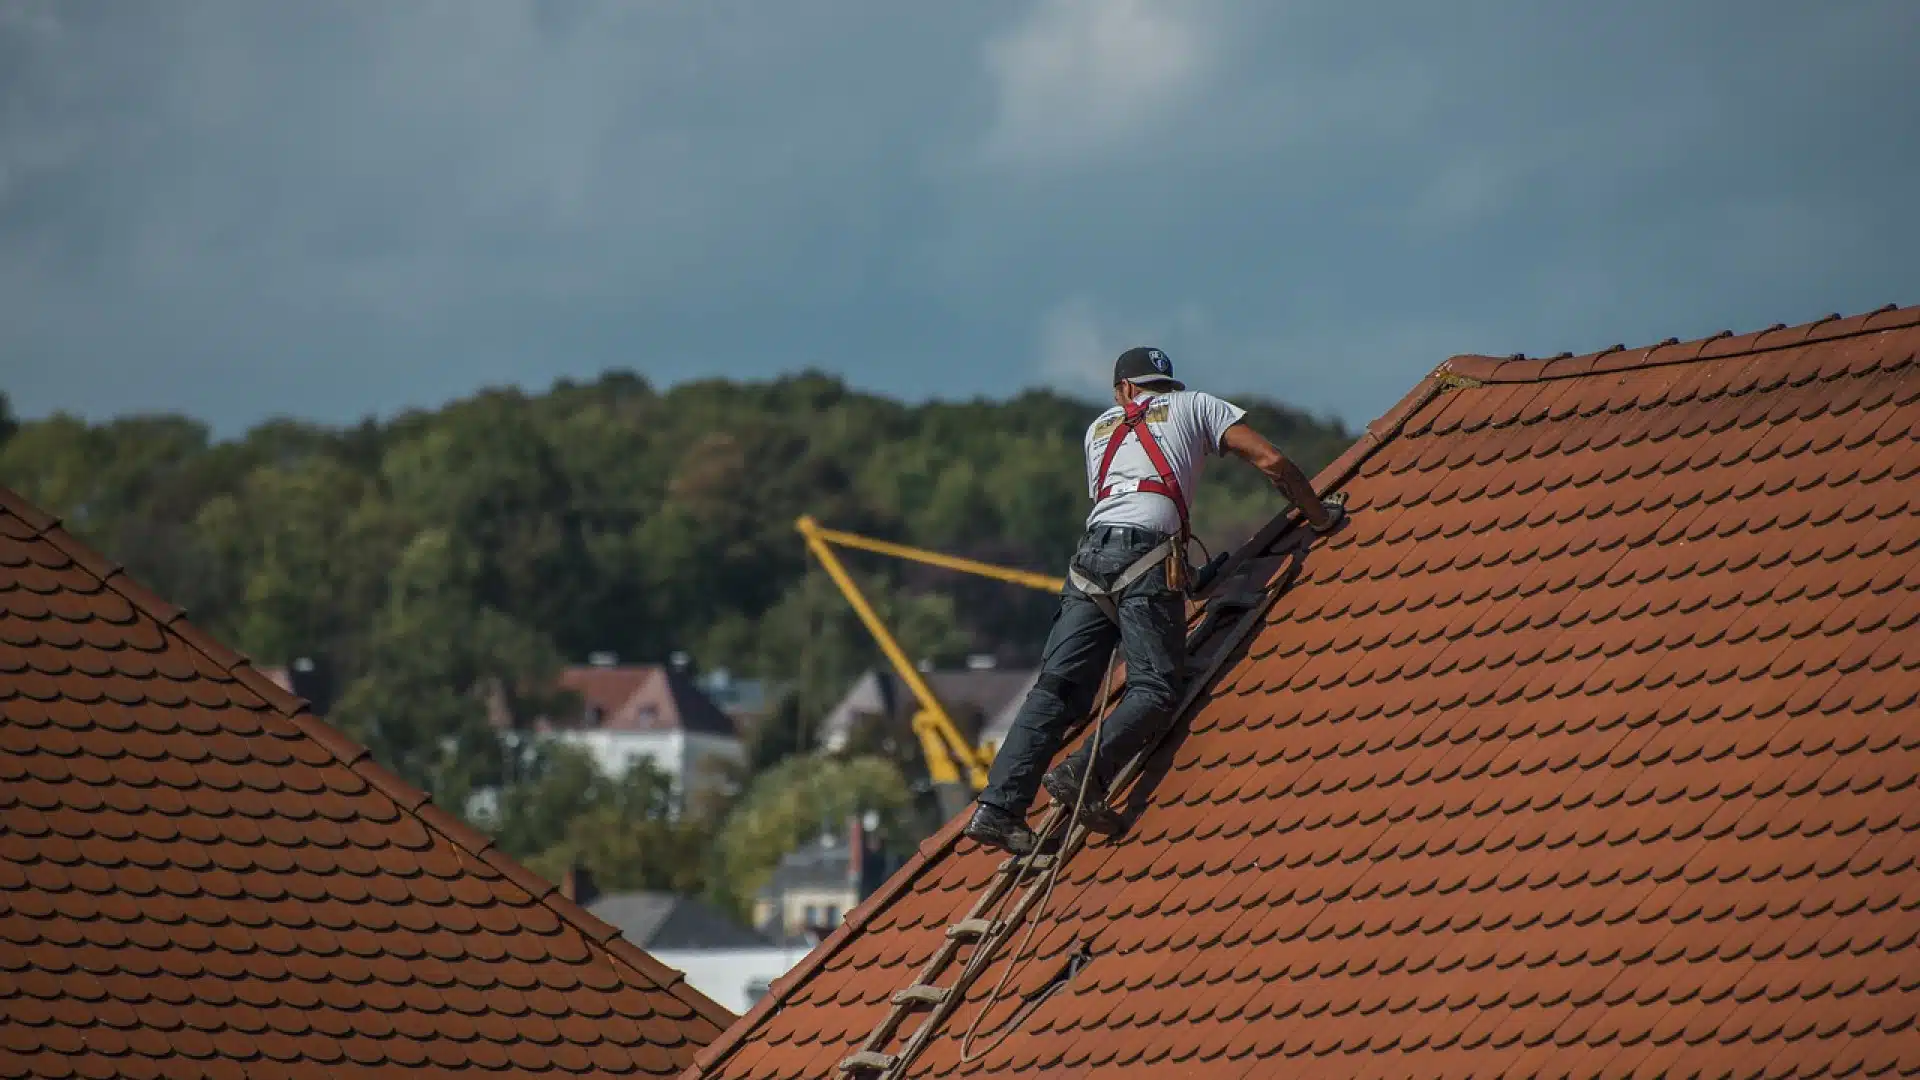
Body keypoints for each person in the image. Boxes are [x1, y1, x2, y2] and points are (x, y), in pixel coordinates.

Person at [962, 345, 1344, 856]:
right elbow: (1272, 461)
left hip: (1089, 561)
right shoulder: (1197, 405)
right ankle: (1082, 774)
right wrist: (1319, 516)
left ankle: (998, 808)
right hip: (1146, 554)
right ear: (1164, 385)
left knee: (1056, 690)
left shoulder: (1098, 429)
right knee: (1157, 687)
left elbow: (1123, 501)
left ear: (1123, 389)